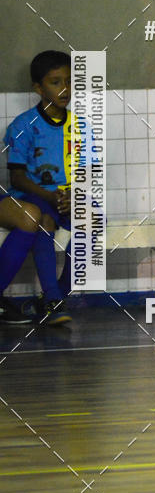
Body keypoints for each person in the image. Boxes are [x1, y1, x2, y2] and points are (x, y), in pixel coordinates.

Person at [0, 51, 76, 325]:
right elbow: (17, 178)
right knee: (39, 217)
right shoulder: (24, 125)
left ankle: (57, 298)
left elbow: (87, 172)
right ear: (38, 88)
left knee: (95, 222)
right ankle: (52, 298)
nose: (65, 88)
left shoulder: (79, 126)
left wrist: (73, 196)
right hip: (32, 197)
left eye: (69, 80)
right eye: (56, 82)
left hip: (62, 198)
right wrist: (52, 196)